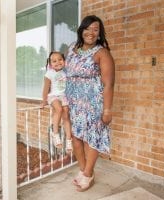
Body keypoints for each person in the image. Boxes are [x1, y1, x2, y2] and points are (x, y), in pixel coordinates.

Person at [65, 15, 115, 192]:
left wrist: (107, 110)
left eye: (96, 29)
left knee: (91, 138)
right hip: (74, 103)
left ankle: (87, 174)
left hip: (93, 104)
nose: (91, 32)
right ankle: (85, 171)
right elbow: (61, 71)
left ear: (100, 34)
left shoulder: (102, 53)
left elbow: (109, 83)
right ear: (81, 30)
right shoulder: (72, 48)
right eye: (88, 28)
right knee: (76, 137)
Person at [41, 51, 73, 153]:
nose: (58, 62)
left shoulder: (65, 73)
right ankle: (55, 134)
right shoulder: (49, 73)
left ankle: (69, 140)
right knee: (58, 109)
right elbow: (46, 88)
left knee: (66, 114)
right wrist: (44, 101)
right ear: (50, 64)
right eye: (54, 61)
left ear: (64, 61)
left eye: (60, 59)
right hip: (53, 96)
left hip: (63, 96)